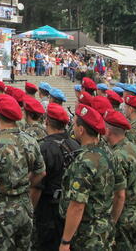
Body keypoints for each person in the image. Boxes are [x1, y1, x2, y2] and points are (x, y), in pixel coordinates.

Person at [0, 94, 45, 250]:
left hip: (1, 212)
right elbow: (41, 172)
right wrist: (25, 184)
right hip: (24, 207)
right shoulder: (30, 141)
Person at [58, 104, 122, 250]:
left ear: (81, 130)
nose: (72, 128)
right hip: (104, 230)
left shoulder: (84, 161)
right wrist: (111, 223)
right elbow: (120, 195)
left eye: (74, 124)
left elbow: (77, 206)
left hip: (86, 235)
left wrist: (65, 241)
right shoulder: (109, 155)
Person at [32, 103, 79, 251]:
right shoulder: (75, 144)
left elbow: (37, 184)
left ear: (46, 121)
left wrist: (30, 210)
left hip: (48, 208)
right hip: (69, 206)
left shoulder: (44, 148)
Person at [104, 109, 136, 251]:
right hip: (134, 211)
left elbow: (119, 195)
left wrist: (112, 222)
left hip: (122, 215)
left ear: (108, 131)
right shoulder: (135, 149)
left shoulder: (117, 156)